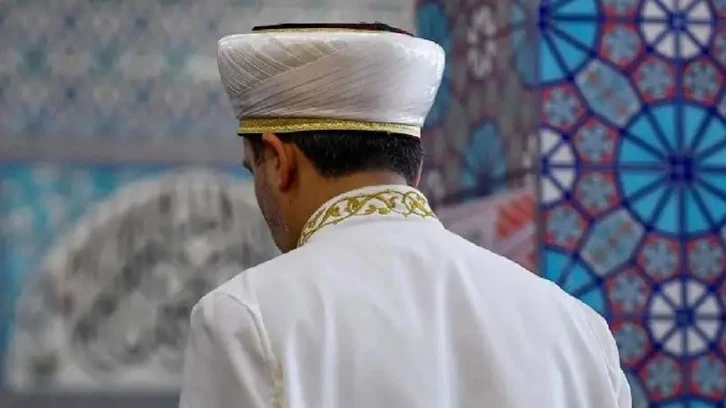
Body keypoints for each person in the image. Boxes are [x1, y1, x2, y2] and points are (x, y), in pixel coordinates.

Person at [178, 23, 631, 408]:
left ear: (279, 161)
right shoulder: (578, 329)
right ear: (413, 165)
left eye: (252, 168)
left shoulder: (245, 318)